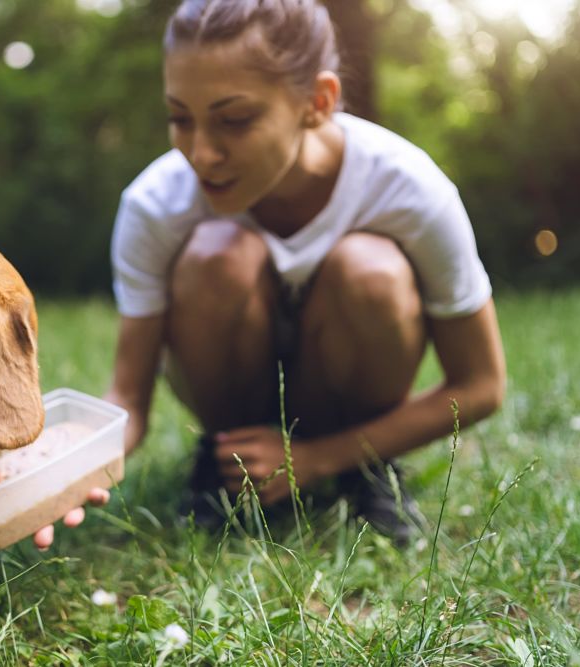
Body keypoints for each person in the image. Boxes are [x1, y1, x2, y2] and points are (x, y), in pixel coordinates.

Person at [94, 0, 507, 545]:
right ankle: (224, 464)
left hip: (349, 414)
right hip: (230, 404)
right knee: (216, 255)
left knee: (370, 270)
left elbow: (482, 385)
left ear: (318, 101)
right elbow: (128, 399)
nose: (201, 153)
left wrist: (318, 458)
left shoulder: (410, 191)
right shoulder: (155, 204)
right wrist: (60, 467)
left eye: (234, 119)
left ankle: (365, 470)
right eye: (179, 117)